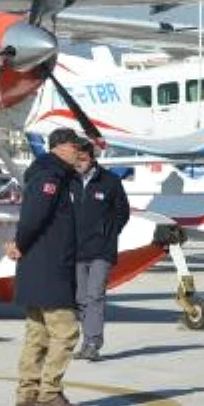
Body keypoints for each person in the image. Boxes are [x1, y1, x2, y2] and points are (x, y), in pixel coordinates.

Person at [7, 127, 83, 406]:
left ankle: (27, 395)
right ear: (60, 146)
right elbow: (33, 217)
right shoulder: (51, 176)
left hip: (39, 267)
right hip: (49, 266)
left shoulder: (53, 174)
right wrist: (19, 243)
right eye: (75, 146)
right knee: (66, 332)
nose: (79, 151)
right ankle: (49, 393)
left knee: (38, 334)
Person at [71, 139, 131, 362]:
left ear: (92, 158)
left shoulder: (110, 182)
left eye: (83, 159)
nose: (79, 163)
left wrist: (109, 233)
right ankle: (86, 341)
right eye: (76, 159)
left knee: (95, 296)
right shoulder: (70, 181)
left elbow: (122, 212)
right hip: (76, 250)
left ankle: (93, 343)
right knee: (80, 298)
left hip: (101, 251)